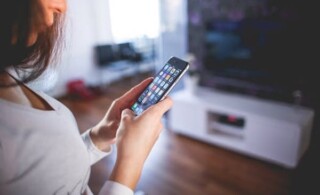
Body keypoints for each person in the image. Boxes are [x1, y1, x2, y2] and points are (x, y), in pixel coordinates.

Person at [0, 0, 173, 194]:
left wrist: (99, 136)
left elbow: (52, 169)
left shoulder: (8, 78)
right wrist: (131, 161)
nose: (62, 7)